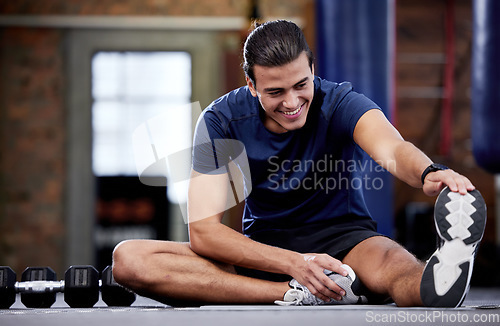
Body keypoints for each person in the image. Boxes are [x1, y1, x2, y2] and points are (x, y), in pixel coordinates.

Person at [112, 20, 486, 307]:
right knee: (130, 259)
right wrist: (294, 266)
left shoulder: (339, 101)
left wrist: (428, 173)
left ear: (312, 68)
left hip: (346, 241)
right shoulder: (221, 119)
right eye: (275, 91)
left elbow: (392, 147)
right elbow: (205, 232)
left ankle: (442, 273)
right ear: (251, 85)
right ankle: (294, 292)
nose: (291, 102)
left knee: (396, 267)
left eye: (301, 85)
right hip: (266, 250)